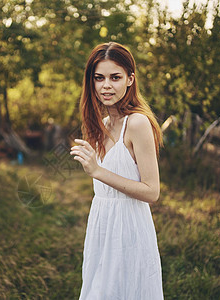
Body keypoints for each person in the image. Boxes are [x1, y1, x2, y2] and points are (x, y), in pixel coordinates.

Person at [70, 42, 164, 299]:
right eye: (99, 78)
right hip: (102, 224)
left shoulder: (138, 123)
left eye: (115, 77)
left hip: (129, 227)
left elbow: (152, 191)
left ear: (130, 79)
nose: (106, 86)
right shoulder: (100, 125)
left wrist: (98, 171)